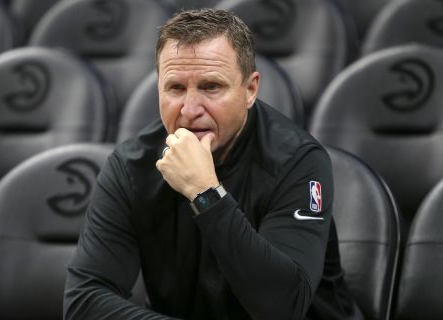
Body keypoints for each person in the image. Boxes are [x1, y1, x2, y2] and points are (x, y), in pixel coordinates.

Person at [64, 8, 362, 320]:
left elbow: (282, 308)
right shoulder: (131, 166)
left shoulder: (298, 162)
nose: (190, 110)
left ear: (250, 90)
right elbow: (84, 301)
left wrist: (205, 192)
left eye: (211, 87)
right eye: (176, 88)